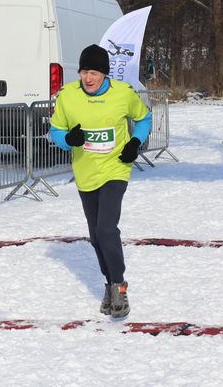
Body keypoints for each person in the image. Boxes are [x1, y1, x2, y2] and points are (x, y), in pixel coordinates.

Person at [49, 44, 152, 318]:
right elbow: (55, 131)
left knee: (107, 229)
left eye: (94, 72)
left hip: (116, 170)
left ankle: (119, 288)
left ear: (105, 74)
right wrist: (68, 140)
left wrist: (135, 142)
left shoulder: (123, 94)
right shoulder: (68, 96)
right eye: (84, 72)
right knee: (95, 236)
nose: (88, 78)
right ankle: (108, 284)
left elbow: (144, 119)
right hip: (85, 173)